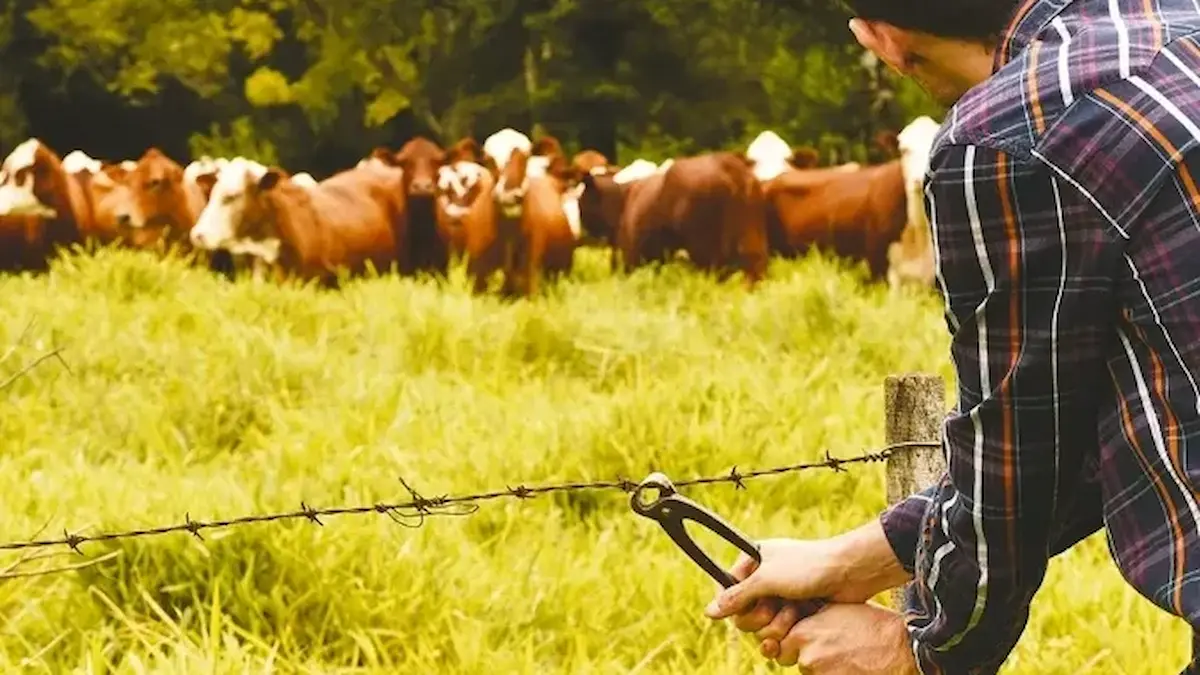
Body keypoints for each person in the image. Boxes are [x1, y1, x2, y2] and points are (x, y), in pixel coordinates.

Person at [703, 0, 1200, 672]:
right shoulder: (1175, 23)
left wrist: (922, 648)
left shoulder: (1012, 135)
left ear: (878, 39)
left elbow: (1024, 446)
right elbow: (1118, 419)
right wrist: (861, 555)